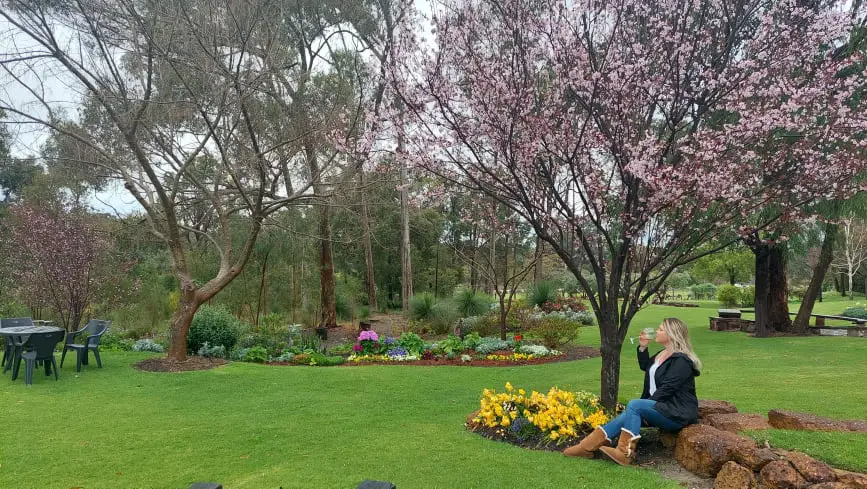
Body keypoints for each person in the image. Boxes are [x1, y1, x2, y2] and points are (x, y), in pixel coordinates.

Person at [562, 318, 701, 466]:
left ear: (672, 334)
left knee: (635, 405)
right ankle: (585, 447)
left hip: (676, 412)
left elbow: (668, 389)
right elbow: (646, 367)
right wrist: (643, 348)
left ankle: (625, 454)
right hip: (662, 407)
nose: (656, 331)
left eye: (660, 329)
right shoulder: (663, 353)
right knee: (628, 413)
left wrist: (647, 406)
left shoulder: (681, 361)